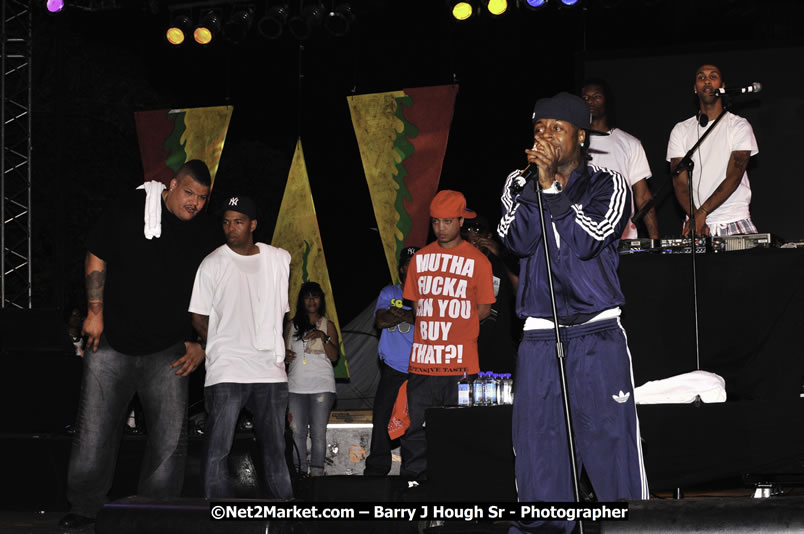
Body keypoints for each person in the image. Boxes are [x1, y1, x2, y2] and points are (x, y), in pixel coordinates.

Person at [497, 92, 648, 533]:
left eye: (556, 129)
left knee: (611, 447)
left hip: (595, 333)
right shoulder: (517, 183)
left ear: (580, 135)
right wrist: (536, 188)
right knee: (539, 452)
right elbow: (517, 242)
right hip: (541, 335)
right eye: (539, 128)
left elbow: (586, 241)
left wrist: (551, 191)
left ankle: (628, 528)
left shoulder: (608, 183)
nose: (544, 136)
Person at [60, 160, 213, 531]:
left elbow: (211, 295)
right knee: (94, 430)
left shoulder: (204, 234)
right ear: (172, 185)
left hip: (169, 349)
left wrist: (202, 344)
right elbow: (97, 252)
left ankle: (156, 512)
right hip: (112, 341)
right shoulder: (131, 207)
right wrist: (94, 312)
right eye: (188, 193)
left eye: (202, 198)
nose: (194, 203)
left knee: (168, 441)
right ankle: (85, 508)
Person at [188, 195, 294, 500]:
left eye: (238, 221)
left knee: (276, 449)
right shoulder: (212, 263)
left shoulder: (276, 261)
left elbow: (283, 313)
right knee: (217, 450)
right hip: (228, 369)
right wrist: (220, 343)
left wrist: (277, 348)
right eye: (226, 222)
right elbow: (197, 315)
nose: (230, 228)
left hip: (269, 372)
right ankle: (218, 517)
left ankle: (283, 514)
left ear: (253, 224)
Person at [401, 190, 495, 481]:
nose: (441, 228)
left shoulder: (479, 261)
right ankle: (414, 488)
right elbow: (417, 306)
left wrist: (455, 324)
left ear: (460, 221)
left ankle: (456, 487)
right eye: (435, 222)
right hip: (423, 363)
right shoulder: (420, 259)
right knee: (415, 428)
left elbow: (483, 309)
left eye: (447, 221)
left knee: (458, 430)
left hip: (460, 365)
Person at [668, 64, 759, 237]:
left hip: (733, 219)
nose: (707, 81)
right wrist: (696, 216)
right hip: (696, 224)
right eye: (701, 78)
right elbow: (679, 182)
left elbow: (734, 175)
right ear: (695, 89)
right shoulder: (680, 130)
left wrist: (702, 212)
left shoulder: (739, 125)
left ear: (722, 87)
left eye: (713, 76)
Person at [363, 246, 419, 476]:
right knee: (382, 417)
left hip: (421, 368)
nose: (412, 268)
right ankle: (376, 471)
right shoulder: (389, 291)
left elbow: (424, 319)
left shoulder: (427, 294)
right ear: (402, 268)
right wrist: (410, 314)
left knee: (416, 423)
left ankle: (414, 471)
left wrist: (398, 313)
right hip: (393, 368)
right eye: (408, 264)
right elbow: (381, 321)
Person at [581, 78, 659, 240]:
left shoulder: (630, 143)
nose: (590, 102)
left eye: (596, 97)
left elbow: (643, 196)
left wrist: (655, 240)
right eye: (586, 98)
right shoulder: (572, 144)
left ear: (606, 101)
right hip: (582, 236)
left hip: (622, 237)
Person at [285, 281, 339, 477]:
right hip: (295, 386)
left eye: (315, 296)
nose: (311, 300)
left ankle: (317, 473)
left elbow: (334, 357)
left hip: (322, 386)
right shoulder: (290, 325)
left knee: (318, 433)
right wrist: (285, 355)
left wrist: (323, 337)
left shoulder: (328, 324)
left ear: (321, 300)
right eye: (307, 296)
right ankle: (298, 473)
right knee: (297, 433)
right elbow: (282, 355)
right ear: (301, 301)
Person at [461, 214, 519, 374]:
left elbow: (521, 292)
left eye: (478, 233)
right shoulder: (457, 265)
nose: (474, 238)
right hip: (465, 351)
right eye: (468, 234)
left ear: (489, 237)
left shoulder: (500, 263)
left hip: (498, 350)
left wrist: (502, 255)